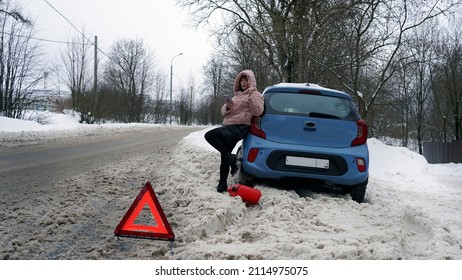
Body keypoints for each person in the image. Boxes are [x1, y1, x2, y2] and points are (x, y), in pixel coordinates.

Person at [205, 69, 264, 193]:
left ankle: (233, 160)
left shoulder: (255, 94)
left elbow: (258, 111)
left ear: (251, 81)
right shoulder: (237, 96)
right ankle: (222, 183)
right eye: (242, 80)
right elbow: (223, 112)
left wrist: (252, 95)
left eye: (246, 80)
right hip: (229, 126)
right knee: (224, 155)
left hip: (239, 127)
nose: (244, 83)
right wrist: (228, 107)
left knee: (209, 135)